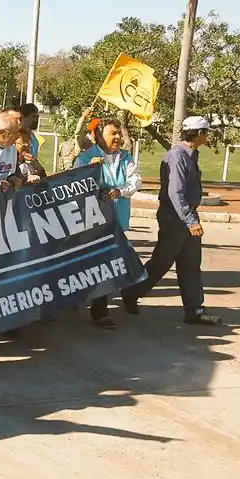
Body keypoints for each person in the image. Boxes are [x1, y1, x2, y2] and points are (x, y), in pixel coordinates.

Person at [121, 116, 220, 325]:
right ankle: (132, 292)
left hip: (186, 215)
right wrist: (191, 220)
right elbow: (176, 192)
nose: (207, 136)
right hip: (175, 218)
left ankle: (195, 310)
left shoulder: (190, 155)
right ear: (199, 133)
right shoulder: (177, 156)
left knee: (191, 264)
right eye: (206, 132)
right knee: (161, 263)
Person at [75, 119, 142, 330]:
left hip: (116, 222)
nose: (118, 137)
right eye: (113, 133)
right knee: (87, 264)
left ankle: (100, 311)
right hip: (90, 223)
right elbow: (74, 185)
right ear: (98, 135)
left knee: (107, 265)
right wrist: (90, 170)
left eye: (119, 133)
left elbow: (135, 180)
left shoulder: (126, 158)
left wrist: (120, 191)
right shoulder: (85, 157)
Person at [0, 113, 21, 179]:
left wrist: (13, 179)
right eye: (15, 132)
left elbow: (13, 173)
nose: (18, 136)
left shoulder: (13, 150)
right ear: (2, 132)